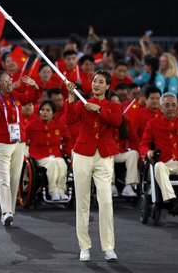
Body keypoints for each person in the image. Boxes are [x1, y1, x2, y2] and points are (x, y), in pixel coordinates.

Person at [65, 71, 121, 263]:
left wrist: (98, 109)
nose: (97, 84)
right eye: (95, 81)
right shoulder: (81, 102)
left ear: (107, 86)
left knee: (105, 201)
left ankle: (108, 247)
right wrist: (71, 97)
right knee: (82, 202)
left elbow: (117, 121)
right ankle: (84, 247)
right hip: (82, 154)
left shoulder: (113, 106)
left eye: (101, 82)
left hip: (104, 155)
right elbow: (69, 119)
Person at [0, 71, 41, 226]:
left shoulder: (16, 96)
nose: (9, 82)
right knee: (4, 178)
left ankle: (11, 209)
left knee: (15, 177)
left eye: (9, 79)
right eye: (5, 81)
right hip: (2, 143)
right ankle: (5, 212)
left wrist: (34, 85)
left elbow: (32, 98)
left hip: (18, 141)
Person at [25, 100, 71, 201]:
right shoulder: (32, 125)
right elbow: (24, 139)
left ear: (53, 113)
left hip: (56, 153)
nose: (44, 112)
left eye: (48, 110)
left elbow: (67, 139)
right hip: (38, 155)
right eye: (42, 110)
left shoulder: (60, 125)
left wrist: (67, 153)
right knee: (52, 163)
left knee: (62, 164)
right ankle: (53, 191)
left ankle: (61, 190)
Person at [107, 92, 138, 198]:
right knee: (108, 154)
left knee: (133, 154)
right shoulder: (103, 119)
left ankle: (129, 186)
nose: (116, 104)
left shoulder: (126, 121)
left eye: (117, 102)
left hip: (120, 153)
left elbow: (134, 140)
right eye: (112, 102)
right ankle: (111, 185)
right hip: (107, 153)